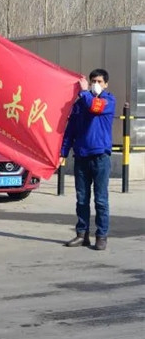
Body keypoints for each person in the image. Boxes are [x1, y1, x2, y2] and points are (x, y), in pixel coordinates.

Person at [60, 69, 116, 251]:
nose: (95, 84)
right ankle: (82, 234)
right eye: (93, 81)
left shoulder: (108, 101)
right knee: (82, 199)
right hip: (82, 156)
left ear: (106, 84)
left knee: (100, 200)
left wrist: (84, 91)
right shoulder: (80, 103)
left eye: (99, 81)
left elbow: (94, 107)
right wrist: (63, 152)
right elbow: (70, 130)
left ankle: (101, 236)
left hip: (100, 157)